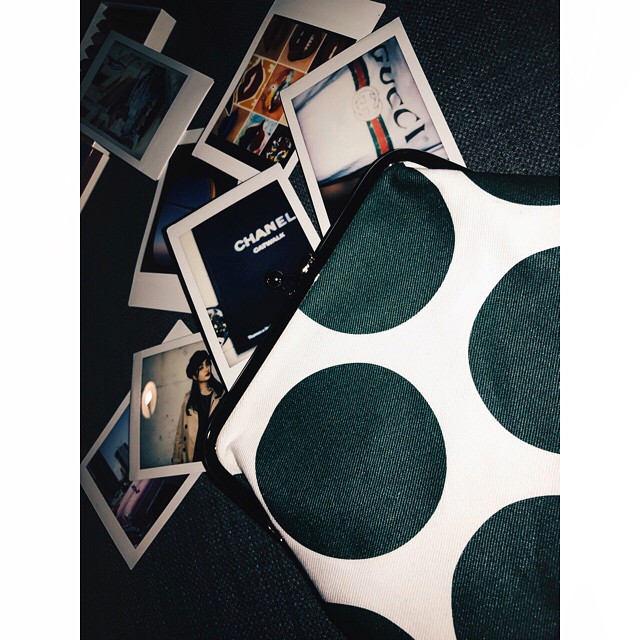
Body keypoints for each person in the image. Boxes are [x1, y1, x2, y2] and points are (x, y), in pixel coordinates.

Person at [172, 350, 224, 464]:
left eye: (207, 364)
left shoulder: (220, 394)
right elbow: (180, 433)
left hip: (214, 454)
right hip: (194, 454)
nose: (206, 369)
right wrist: (176, 462)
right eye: (201, 367)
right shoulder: (188, 399)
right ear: (194, 376)